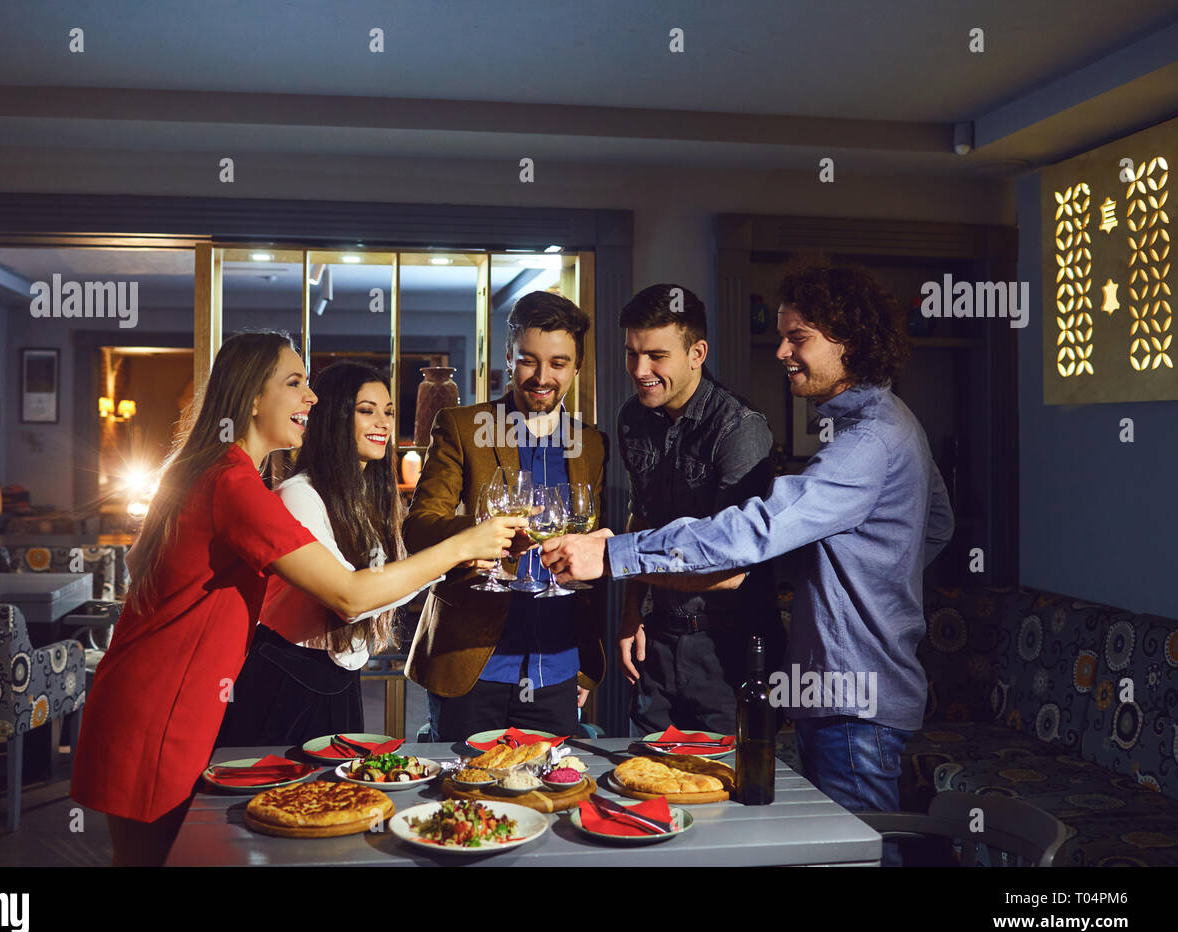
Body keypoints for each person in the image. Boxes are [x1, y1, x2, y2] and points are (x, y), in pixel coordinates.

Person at [543, 265, 954, 865]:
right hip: (843, 690)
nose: (782, 351)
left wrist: (612, 555)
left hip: (852, 698)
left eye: (800, 338)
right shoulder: (889, 421)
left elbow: (753, 533)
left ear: (850, 343)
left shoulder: (868, 441)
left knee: (847, 858)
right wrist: (868, 570)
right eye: (783, 335)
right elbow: (935, 525)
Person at [71, 332, 522, 865]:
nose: (310, 397)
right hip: (163, 706)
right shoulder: (234, 484)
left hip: (158, 696)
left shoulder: (215, 470)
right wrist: (461, 545)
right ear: (251, 397)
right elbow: (348, 595)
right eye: (294, 383)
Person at [404, 291, 608, 743]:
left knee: (549, 796)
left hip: (556, 667)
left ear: (576, 368)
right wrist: (479, 538)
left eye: (558, 363)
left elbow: (593, 547)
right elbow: (418, 526)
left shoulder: (591, 444)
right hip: (472, 664)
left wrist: (585, 668)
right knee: (464, 799)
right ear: (508, 357)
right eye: (528, 360)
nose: (542, 377)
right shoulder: (461, 426)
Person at [216, 361, 426, 747]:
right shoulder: (299, 494)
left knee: (338, 796)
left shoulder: (374, 498)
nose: (383, 422)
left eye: (389, 412)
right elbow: (352, 602)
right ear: (333, 418)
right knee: (280, 797)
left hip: (341, 675)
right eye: (366, 411)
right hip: (287, 674)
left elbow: (388, 585)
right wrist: (448, 558)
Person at [615, 283, 786, 736]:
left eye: (656, 355)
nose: (640, 369)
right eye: (632, 353)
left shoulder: (740, 429)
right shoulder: (632, 419)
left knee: (722, 791)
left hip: (728, 645)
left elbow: (732, 567)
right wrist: (630, 613)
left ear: (698, 353)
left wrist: (611, 560)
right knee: (642, 785)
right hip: (657, 637)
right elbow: (642, 517)